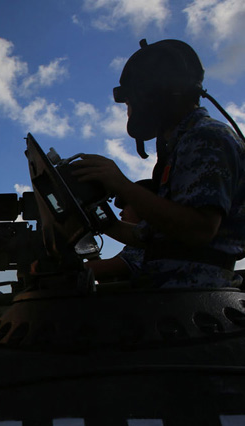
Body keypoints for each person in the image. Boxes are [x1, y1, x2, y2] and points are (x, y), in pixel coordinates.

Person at [74, 39, 245, 289]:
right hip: (176, 295)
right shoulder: (183, 143)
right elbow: (150, 239)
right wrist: (92, 217)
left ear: (151, 95)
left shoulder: (206, 137)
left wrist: (121, 184)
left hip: (192, 297)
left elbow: (200, 229)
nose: (129, 110)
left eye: (130, 101)